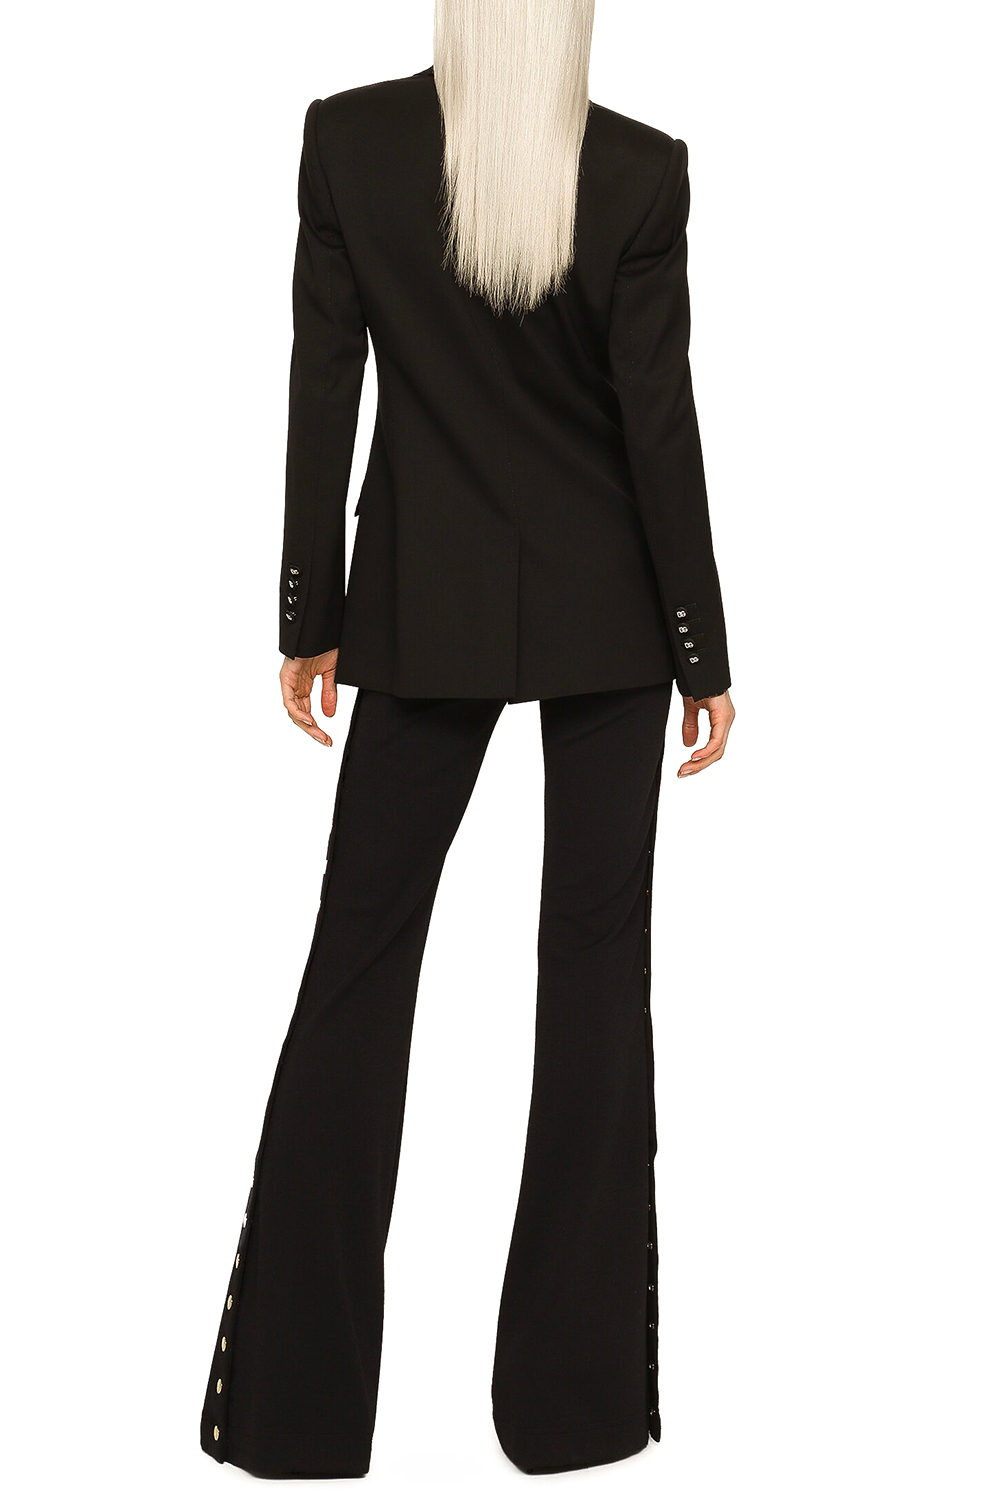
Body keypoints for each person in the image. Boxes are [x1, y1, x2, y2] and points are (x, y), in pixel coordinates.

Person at [200, 0, 735, 1479]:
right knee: (595, 979)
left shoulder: (350, 144)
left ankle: (294, 1415)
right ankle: (576, 1410)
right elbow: (658, 426)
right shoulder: (638, 171)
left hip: (421, 609)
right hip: (610, 617)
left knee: (358, 967)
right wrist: (702, 646)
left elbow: (323, 388)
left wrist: (309, 612)